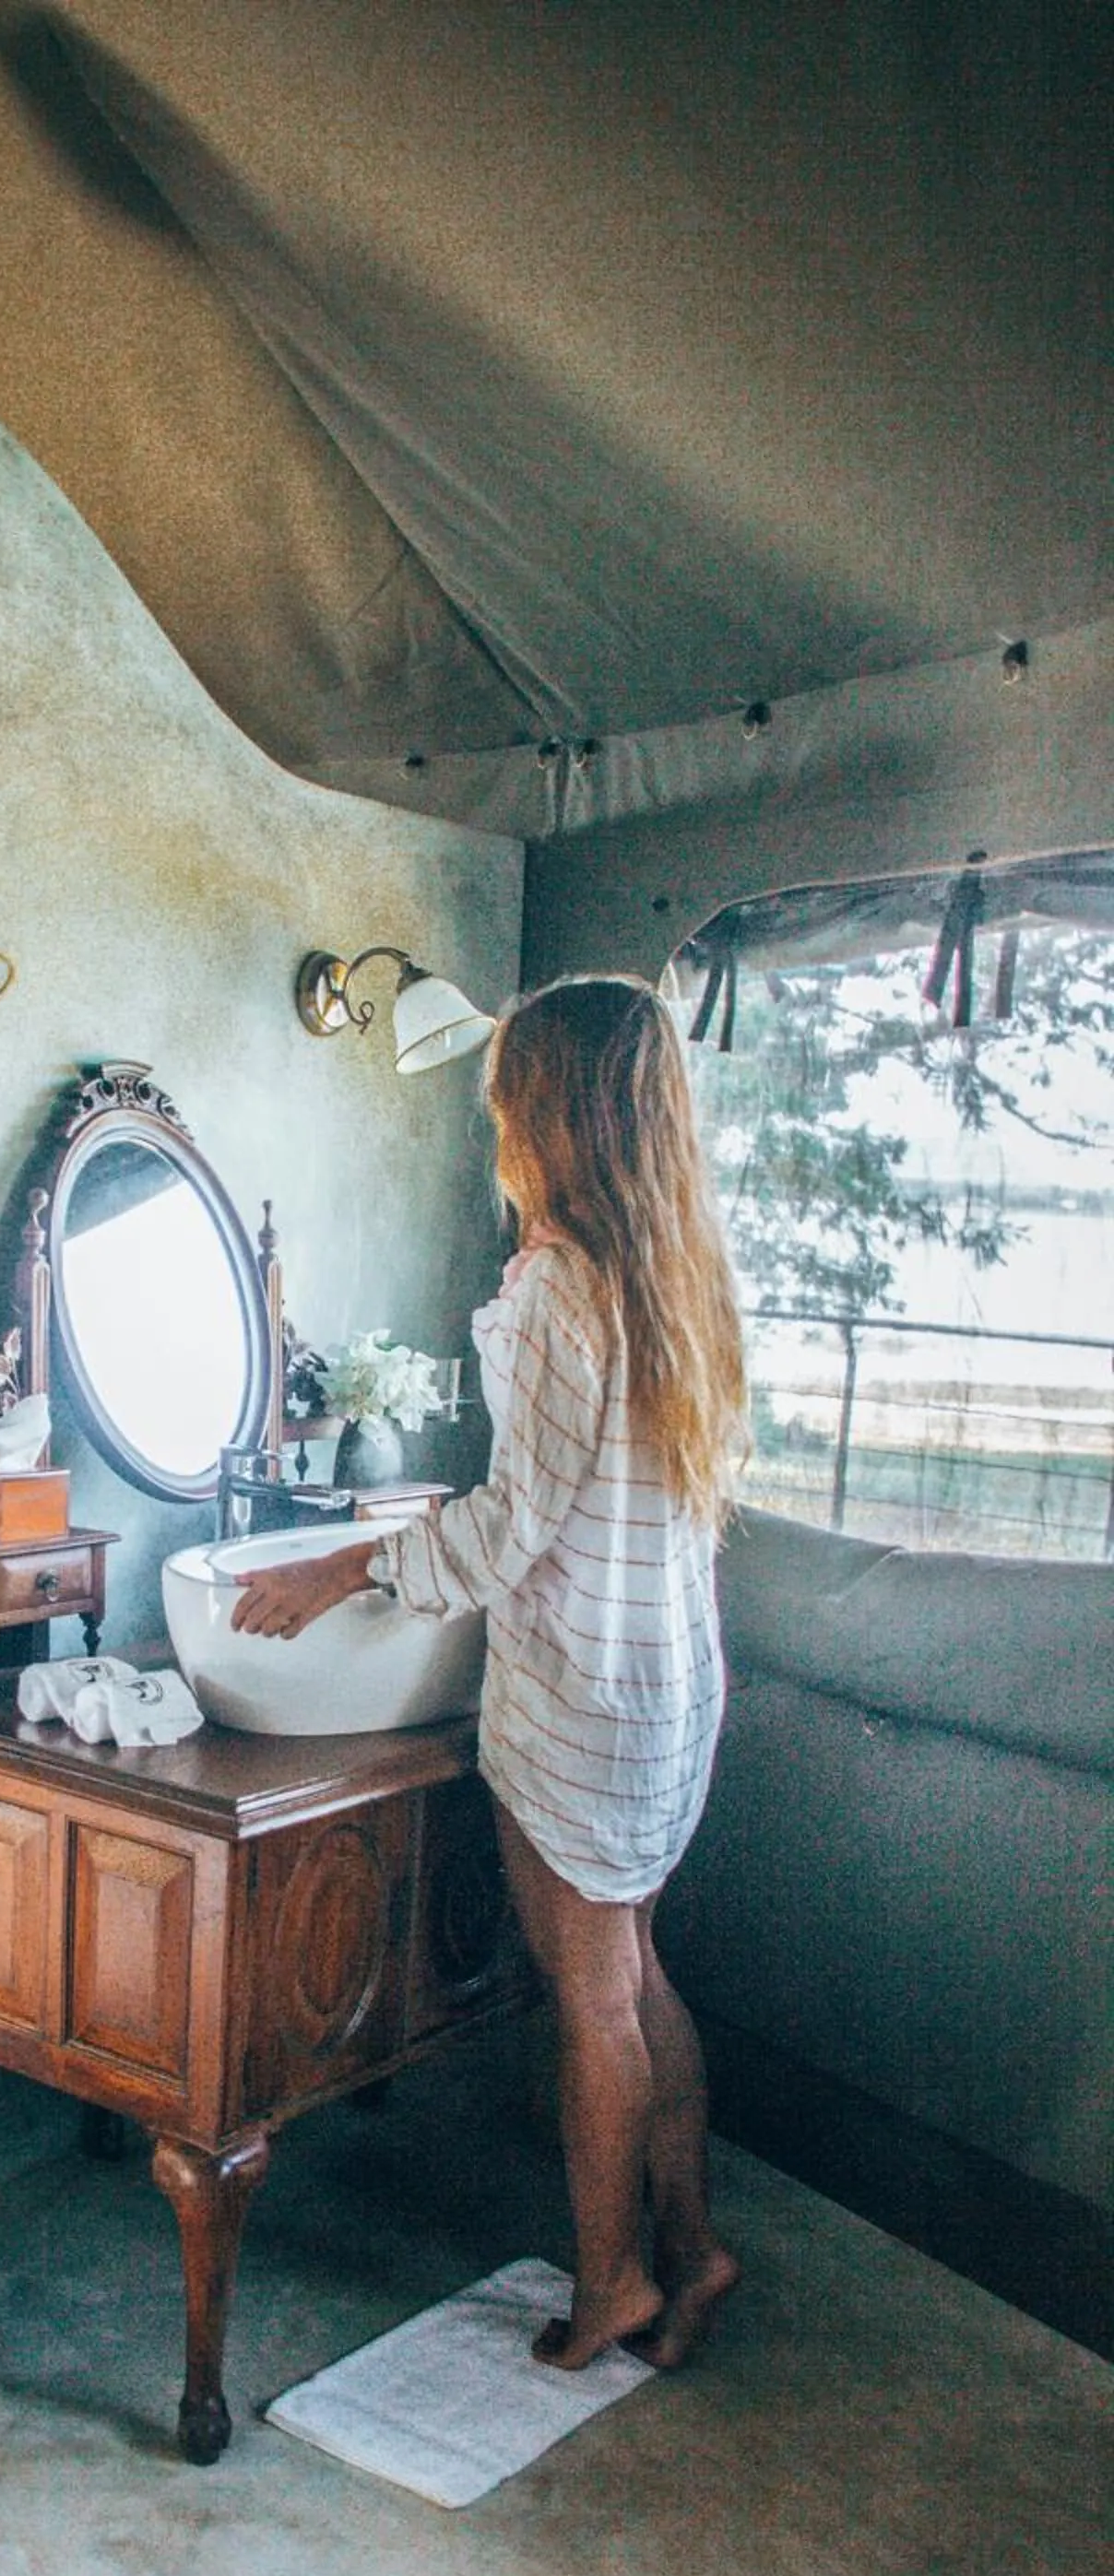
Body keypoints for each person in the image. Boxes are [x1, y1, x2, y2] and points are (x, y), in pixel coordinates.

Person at [232, 975, 747, 2372]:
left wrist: (341, 1569)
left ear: (550, 1113)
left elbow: (515, 1525)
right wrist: (406, 1541)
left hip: (581, 1693)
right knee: (636, 1970)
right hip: (672, 1684)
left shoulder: (550, 1288)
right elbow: (580, 1496)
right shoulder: (680, 1274)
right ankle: (692, 2247)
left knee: (590, 1998)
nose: (497, 1125)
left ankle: (611, 2287)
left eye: (507, 1099)